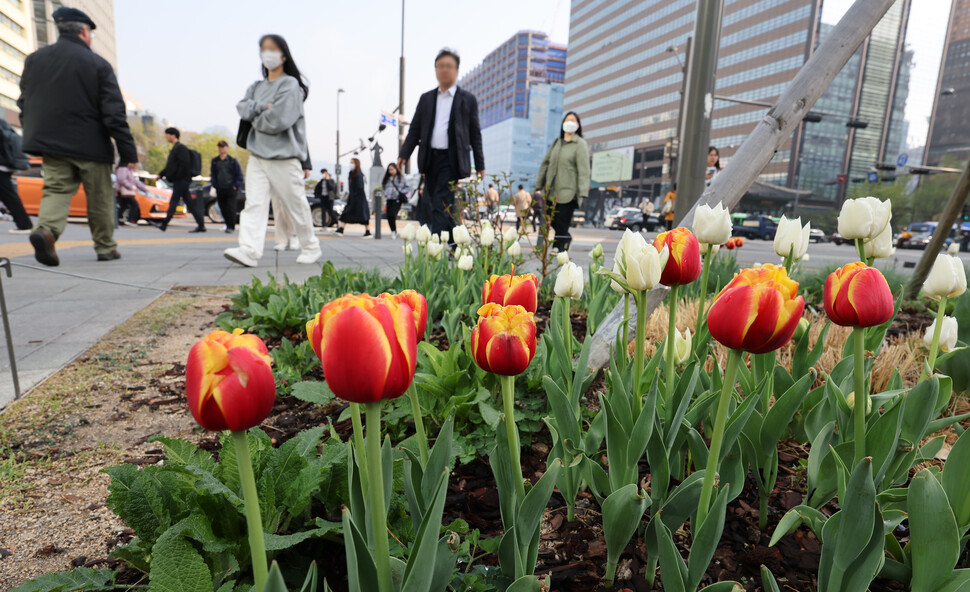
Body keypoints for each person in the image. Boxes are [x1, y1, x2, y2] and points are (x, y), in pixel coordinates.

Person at [19, 7, 137, 265]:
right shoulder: (97, 64)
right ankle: (105, 247)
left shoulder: (35, 60)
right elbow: (114, 114)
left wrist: (33, 131)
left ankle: (46, 231)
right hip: (91, 145)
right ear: (84, 31)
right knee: (100, 197)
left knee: (56, 190)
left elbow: (24, 102)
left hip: (51, 143)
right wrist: (128, 152)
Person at [225, 34, 321, 268]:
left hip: (284, 156)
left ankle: (311, 246)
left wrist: (255, 116)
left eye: (272, 49)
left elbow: (279, 119)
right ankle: (249, 250)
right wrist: (261, 107)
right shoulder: (256, 87)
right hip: (258, 155)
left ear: (283, 55)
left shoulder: (290, 85)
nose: (267, 53)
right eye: (263, 49)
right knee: (254, 204)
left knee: (295, 203)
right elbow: (242, 106)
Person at [398, 47, 484, 242]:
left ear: (456, 70)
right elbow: (415, 130)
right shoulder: (426, 98)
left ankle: (434, 247)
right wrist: (404, 154)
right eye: (440, 66)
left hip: (451, 160)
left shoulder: (467, 100)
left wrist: (480, 164)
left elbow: (475, 134)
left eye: (449, 66)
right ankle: (456, 246)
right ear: (436, 69)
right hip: (429, 159)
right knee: (438, 203)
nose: (444, 70)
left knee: (440, 202)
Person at [537, 111, 589, 251]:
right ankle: (565, 239)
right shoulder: (557, 142)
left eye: (573, 120)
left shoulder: (580, 144)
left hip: (569, 191)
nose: (570, 122)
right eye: (567, 119)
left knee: (562, 220)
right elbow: (546, 163)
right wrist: (539, 184)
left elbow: (584, 170)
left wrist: (582, 192)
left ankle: (558, 247)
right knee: (550, 219)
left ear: (578, 125)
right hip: (552, 189)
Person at [157, 127, 205, 233]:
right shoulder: (175, 148)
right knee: (190, 204)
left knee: (174, 201)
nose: (166, 137)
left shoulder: (181, 148)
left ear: (173, 135)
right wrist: (161, 174)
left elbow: (184, 164)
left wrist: (178, 176)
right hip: (180, 180)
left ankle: (164, 224)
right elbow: (171, 166)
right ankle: (201, 225)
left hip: (181, 180)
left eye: (167, 135)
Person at [0, 118, 32, 234]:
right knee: (9, 196)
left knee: (9, 197)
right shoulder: (4, 124)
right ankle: (25, 224)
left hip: (1, 167)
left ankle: (25, 225)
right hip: (6, 166)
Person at [210, 140, 244, 233]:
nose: (222, 149)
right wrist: (215, 185)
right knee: (222, 207)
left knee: (231, 208)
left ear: (227, 148)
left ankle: (231, 226)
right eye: (220, 147)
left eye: (223, 147)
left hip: (231, 189)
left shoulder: (232, 161)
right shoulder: (215, 161)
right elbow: (213, 175)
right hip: (220, 188)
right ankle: (227, 224)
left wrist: (235, 186)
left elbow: (239, 175)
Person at [337, 157, 370, 236]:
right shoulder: (352, 173)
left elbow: (360, 187)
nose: (350, 164)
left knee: (362, 215)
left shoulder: (358, 174)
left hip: (358, 198)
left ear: (356, 164)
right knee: (347, 213)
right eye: (350, 162)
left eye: (352, 162)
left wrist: (354, 195)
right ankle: (341, 229)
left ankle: (368, 231)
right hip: (353, 197)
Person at [382, 163, 409, 238]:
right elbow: (383, 187)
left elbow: (407, 187)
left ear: (396, 169)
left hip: (397, 200)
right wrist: (385, 193)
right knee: (388, 216)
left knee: (392, 214)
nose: (390, 171)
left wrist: (400, 192)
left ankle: (394, 231)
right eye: (389, 170)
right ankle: (393, 230)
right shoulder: (387, 178)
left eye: (392, 169)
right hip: (389, 199)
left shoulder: (401, 178)